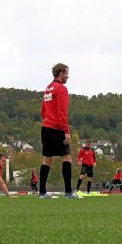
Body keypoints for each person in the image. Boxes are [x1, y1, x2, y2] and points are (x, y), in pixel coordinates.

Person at [39, 63, 77, 199]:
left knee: (46, 160)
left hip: (46, 127)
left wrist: (47, 121)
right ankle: (68, 193)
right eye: (67, 73)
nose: (68, 76)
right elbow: (62, 113)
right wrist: (66, 132)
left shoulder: (47, 89)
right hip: (57, 128)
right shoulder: (61, 89)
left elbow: (42, 111)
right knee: (67, 157)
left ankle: (42, 193)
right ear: (61, 73)